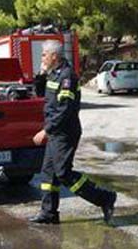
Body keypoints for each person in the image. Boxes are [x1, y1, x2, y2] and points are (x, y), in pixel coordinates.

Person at [29, 40, 117, 225]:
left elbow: (65, 110)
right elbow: (40, 94)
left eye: (45, 54)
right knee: (48, 174)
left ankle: (104, 198)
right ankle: (49, 213)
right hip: (56, 132)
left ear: (55, 56)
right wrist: (40, 75)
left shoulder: (67, 77)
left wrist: (46, 131)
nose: (42, 57)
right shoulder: (53, 74)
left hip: (65, 133)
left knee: (63, 173)